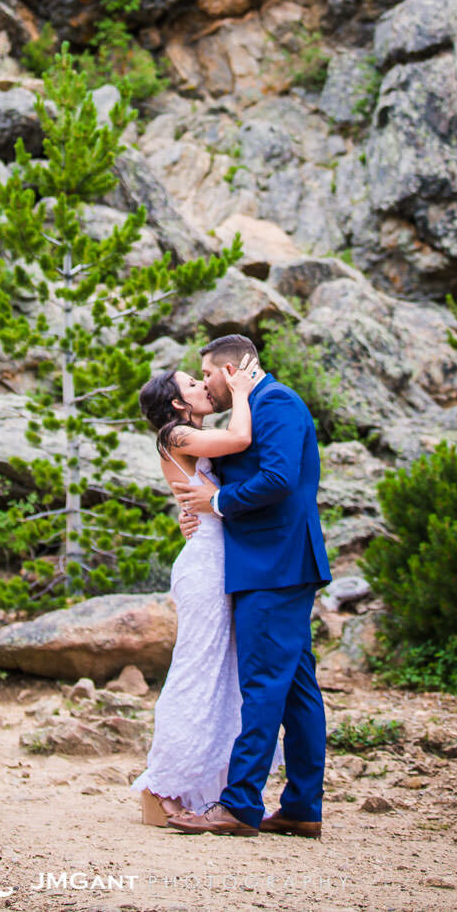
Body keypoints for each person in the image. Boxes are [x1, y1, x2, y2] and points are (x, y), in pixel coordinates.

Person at [168, 333, 332, 839]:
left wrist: (215, 503)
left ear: (235, 367)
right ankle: (303, 807)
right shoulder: (252, 405)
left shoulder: (276, 401)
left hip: (275, 564)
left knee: (261, 683)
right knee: (297, 687)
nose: (207, 385)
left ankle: (240, 804)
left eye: (209, 374)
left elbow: (280, 479)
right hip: (268, 563)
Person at [129, 353, 284, 826]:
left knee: (221, 673)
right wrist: (240, 392)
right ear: (179, 402)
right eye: (194, 382)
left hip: (219, 559)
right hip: (204, 566)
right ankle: (160, 787)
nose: (204, 385)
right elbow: (240, 437)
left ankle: (199, 786)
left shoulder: (187, 436)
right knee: (196, 670)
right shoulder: (174, 434)